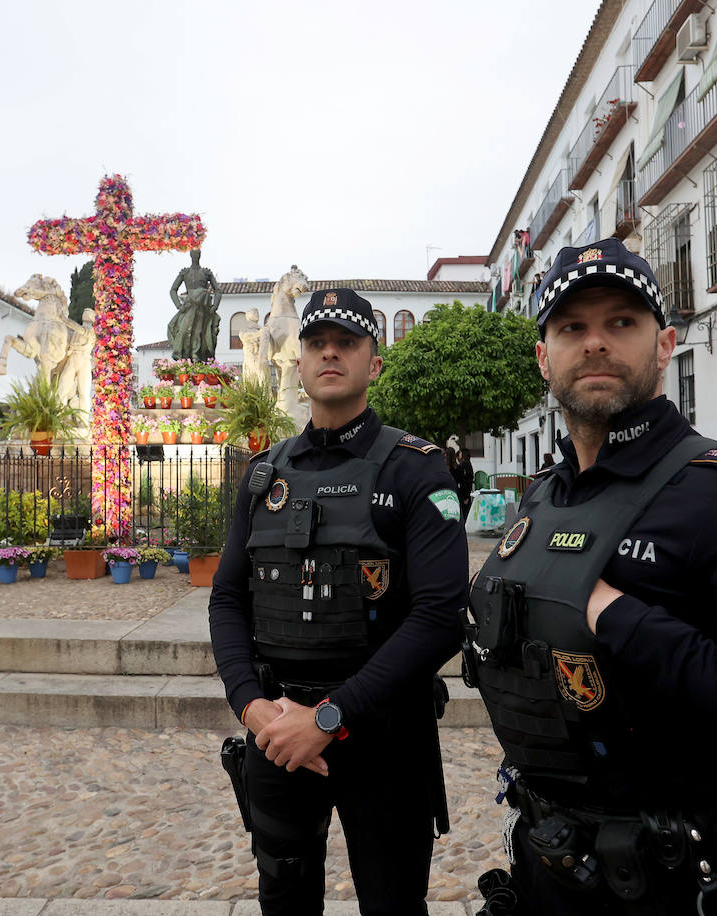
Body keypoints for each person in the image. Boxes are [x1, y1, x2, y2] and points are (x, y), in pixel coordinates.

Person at [466, 239, 717, 915]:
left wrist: (622, 619)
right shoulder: (543, 496)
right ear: (544, 358)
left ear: (666, 345)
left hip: (671, 880)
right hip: (550, 865)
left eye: (621, 322)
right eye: (572, 327)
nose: (595, 343)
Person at [209, 287, 469, 916]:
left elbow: (440, 619)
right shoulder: (264, 474)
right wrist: (249, 705)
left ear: (373, 363)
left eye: (348, 342)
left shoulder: (416, 468)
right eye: (317, 343)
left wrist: (327, 717)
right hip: (277, 734)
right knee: (285, 897)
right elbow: (226, 599)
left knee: (393, 902)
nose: (331, 353)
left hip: (382, 734)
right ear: (297, 363)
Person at [167, 248, 223, 362]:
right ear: (190, 255)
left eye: (197, 253)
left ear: (200, 255)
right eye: (193, 253)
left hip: (203, 308)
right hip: (189, 307)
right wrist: (179, 306)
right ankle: (183, 355)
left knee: (198, 332)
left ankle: (196, 355)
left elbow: (218, 290)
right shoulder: (185, 272)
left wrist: (214, 306)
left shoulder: (206, 273)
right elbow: (173, 290)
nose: (195, 255)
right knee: (183, 331)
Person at [446, 443, 475, 524]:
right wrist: (466, 496)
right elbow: (463, 481)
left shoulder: (443, 468)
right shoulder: (458, 467)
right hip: (456, 492)